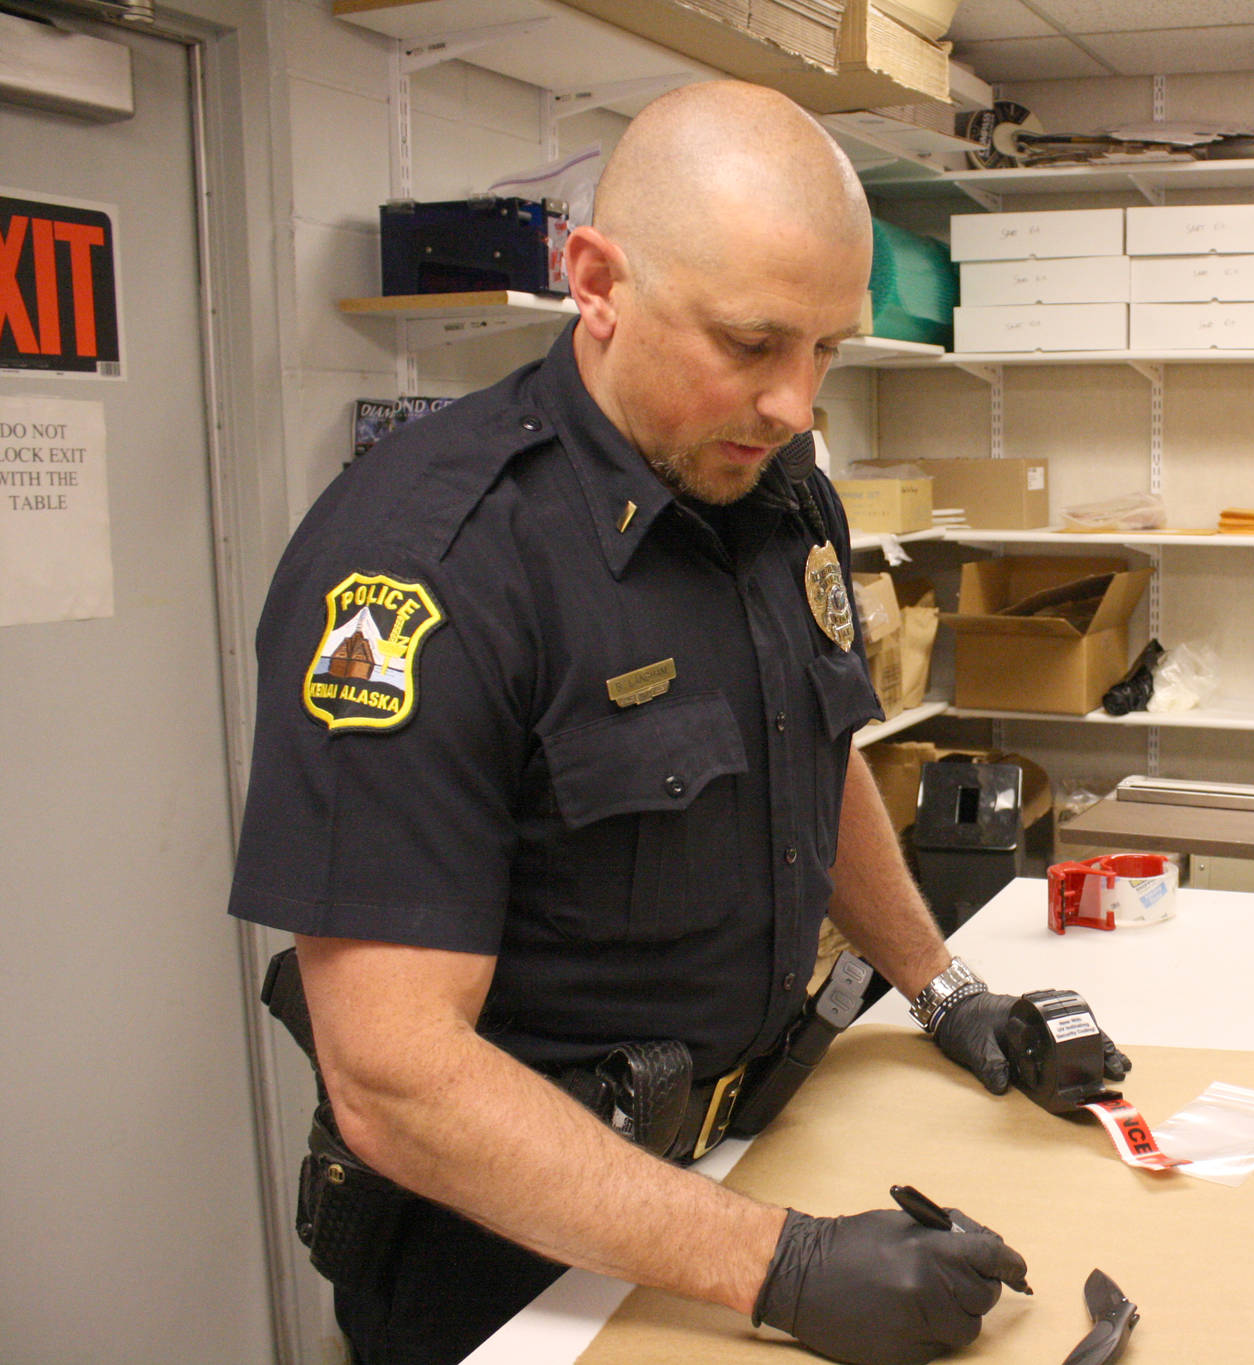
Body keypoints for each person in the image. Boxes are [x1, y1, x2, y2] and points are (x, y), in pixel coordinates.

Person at [228, 81, 1127, 1365]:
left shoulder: (772, 482)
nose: (796, 403)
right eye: (754, 343)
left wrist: (945, 992)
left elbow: (817, 757)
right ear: (595, 281)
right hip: (504, 1264)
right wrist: (780, 1265)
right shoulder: (429, 565)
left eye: (828, 348)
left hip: (737, 1162)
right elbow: (392, 1079)